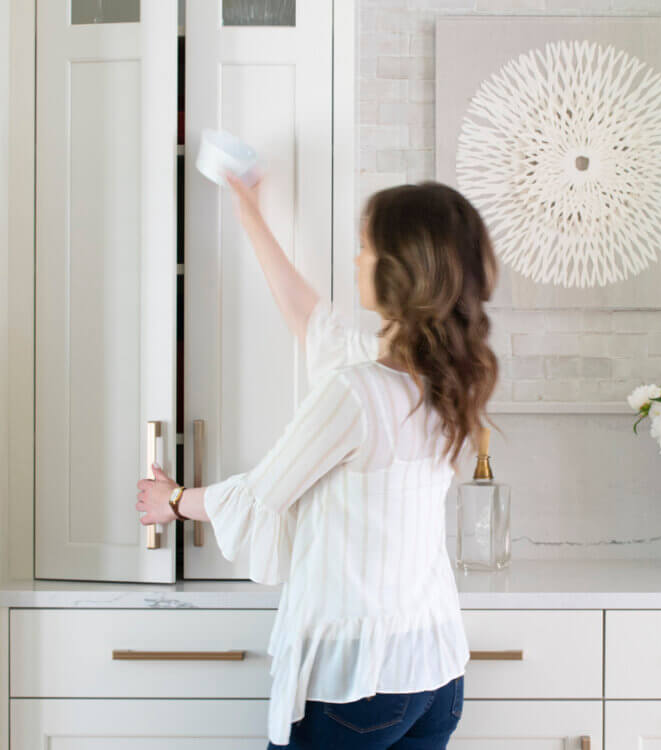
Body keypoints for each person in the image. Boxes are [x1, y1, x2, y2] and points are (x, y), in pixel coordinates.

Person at [135, 169, 499, 749]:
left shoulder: (356, 392)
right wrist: (249, 212)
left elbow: (261, 494)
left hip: (355, 684)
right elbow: (312, 322)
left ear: (400, 272)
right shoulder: (443, 383)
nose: (356, 261)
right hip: (435, 669)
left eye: (367, 248)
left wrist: (175, 502)